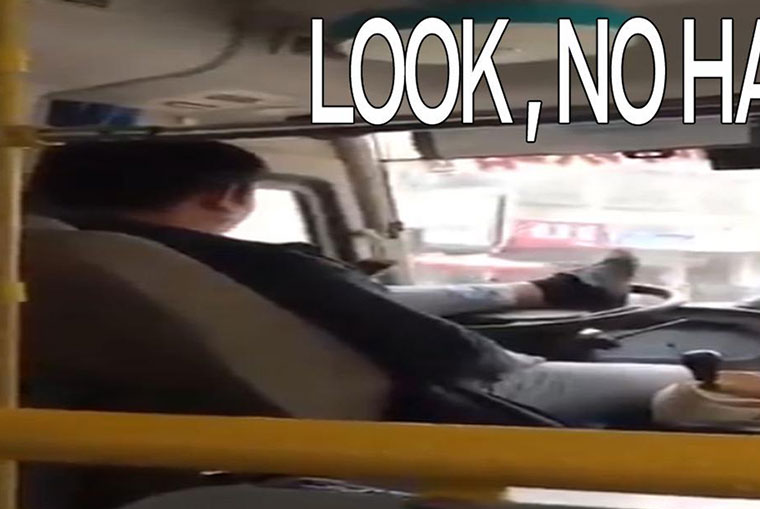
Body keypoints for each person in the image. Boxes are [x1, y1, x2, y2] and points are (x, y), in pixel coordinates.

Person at [25, 140, 693, 428]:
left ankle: (550, 291)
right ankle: (559, 293)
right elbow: (455, 358)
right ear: (227, 196)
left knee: (362, 292)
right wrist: (514, 358)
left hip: (216, 396)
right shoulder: (265, 266)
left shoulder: (55, 253)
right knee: (686, 385)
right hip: (429, 395)